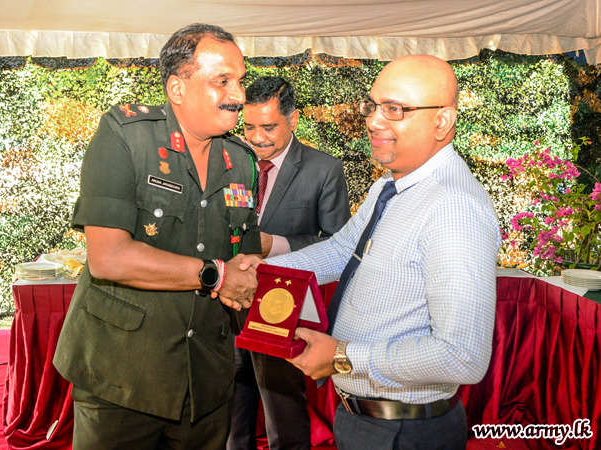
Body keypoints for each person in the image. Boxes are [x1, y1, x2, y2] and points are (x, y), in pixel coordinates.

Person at [240, 55, 501, 450]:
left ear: (442, 121)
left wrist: (343, 357)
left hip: (404, 431)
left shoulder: (453, 208)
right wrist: (257, 272)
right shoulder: (391, 186)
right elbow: (341, 250)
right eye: (373, 105)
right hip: (367, 419)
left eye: (395, 109)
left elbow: (462, 356)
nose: (374, 121)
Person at [53, 23, 262, 450]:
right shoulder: (126, 135)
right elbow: (109, 258)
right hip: (122, 376)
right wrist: (217, 275)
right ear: (177, 88)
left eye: (240, 81)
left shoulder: (242, 161)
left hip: (206, 380)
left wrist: (260, 284)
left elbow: (247, 253)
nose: (239, 95)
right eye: (223, 81)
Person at [227, 77, 350, 450]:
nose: (257, 138)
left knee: (281, 402)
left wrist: (275, 245)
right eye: (249, 127)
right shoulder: (230, 162)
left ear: (293, 120)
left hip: (281, 305)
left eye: (268, 127)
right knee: (232, 398)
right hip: (227, 299)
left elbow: (338, 244)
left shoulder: (324, 169)